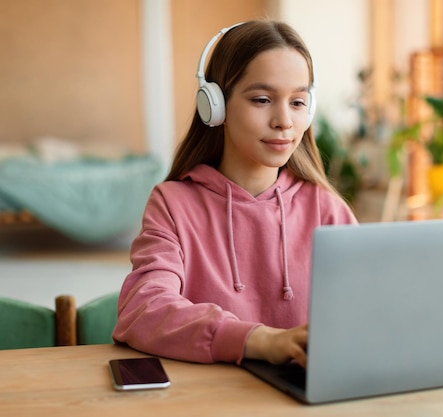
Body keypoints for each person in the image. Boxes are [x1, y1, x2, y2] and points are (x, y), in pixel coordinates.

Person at [112, 20, 358, 367]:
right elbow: (143, 310)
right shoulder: (172, 204)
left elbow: (369, 316)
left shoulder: (327, 210)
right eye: (262, 99)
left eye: (298, 102)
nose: (284, 121)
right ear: (215, 107)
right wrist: (258, 340)